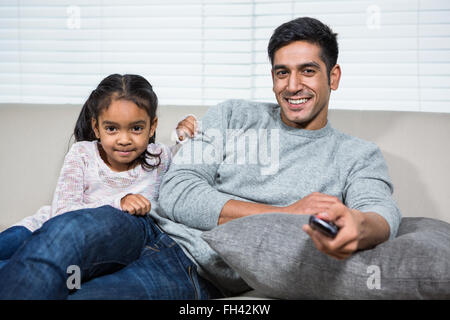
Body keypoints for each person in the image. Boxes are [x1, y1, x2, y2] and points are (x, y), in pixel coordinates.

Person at [0, 17, 401, 299]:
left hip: (196, 271)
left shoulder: (357, 155)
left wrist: (360, 225)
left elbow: (379, 212)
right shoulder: (231, 115)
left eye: (308, 71)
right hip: (142, 227)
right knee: (65, 234)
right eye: (282, 72)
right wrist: (286, 212)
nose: (293, 86)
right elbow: (177, 192)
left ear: (333, 77)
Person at [0, 74, 216, 299]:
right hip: (37, 229)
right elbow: (63, 214)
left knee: (29, 275)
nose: (124, 139)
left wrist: (186, 131)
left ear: (152, 127)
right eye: (112, 129)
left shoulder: (158, 157)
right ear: (96, 127)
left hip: (99, 246)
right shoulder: (82, 154)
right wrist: (118, 203)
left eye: (136, 129)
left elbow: (186, 167)